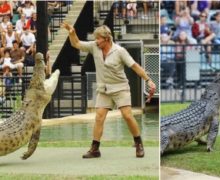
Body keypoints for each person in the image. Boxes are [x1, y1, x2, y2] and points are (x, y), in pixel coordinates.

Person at [61, 22, 156, 158]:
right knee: (99, 117)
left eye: (98, 38)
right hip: (104, 89)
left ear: (106, 39)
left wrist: (148, 80)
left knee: (127, 116)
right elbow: (76, 43)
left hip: (120, 87)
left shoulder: (120, 51)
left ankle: (138, 143)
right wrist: (72, 33)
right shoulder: (94, 47)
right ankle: (95, 149)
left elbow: (134, 66)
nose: (96, 41)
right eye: (96, 38)